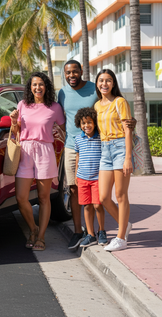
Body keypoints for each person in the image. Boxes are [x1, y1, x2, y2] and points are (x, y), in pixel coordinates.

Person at [57, 60, 136, 250]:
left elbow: (125, 124)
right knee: (89, 193)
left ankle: (115, 235)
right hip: (85, 147)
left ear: (82, 71)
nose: (104, 84)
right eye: (68, 72)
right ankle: (87, 230)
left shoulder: (109, 96)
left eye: (108, 81)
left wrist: (127, 154)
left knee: (112, 195)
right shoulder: (72, 96)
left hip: (108, 147)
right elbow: (62, 117)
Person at [9, 72, 65, 251]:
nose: (38, 88)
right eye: (34, 85)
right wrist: (12, 121)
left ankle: (41, 237)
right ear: (30, 87)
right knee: (21, 197)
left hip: (45, 151)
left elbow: (64, 130)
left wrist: (60, 136)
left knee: (43, 197)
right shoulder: (22, 105)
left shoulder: (54, 107)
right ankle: (33, 229)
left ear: (46, 86)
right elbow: (15, 132)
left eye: (41, 84)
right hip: (25, 150)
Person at [94, 69, 133, 252]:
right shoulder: (97, 105)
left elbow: (128, 131)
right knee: (103, 197)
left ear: (113, 83)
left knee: (120, 195)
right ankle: (125, 225)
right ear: (97, 83)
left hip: (119, 148)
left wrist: (127, 158)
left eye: (108, 80)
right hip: (104, 149)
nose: (104, 84)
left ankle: (121, 237)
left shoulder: (120, 102)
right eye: (101, 80)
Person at [74, 107, 107, 247]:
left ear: (94, 123)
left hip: (97, 178)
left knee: (98, 205)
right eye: (83, 123)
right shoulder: (78, 138)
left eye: (89, 122)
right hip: (82, 177)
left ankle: (102, 231)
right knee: (87, 206)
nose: (86, 125)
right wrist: (76, 173)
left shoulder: (100, 137)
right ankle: (90, 234)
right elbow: (77, 156)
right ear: (79, 124)